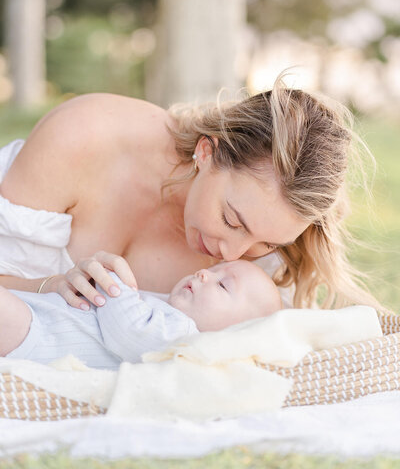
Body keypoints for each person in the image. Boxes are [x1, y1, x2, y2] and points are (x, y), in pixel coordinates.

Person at [0, 76, 378, 310]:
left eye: (267, 244)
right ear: (206, 152)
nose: (231, 254)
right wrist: (51, 286)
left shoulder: (267, 247)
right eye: (231, 220)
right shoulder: (85, 137)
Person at [0, 259, 282, 370]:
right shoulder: (171, 312)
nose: (205, 272)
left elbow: (131, 330)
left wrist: (111, 279)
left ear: (233, 332)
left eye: (222, 284)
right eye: (216, 267)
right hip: (36, 314)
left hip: (36, 334)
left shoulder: (183, 340)